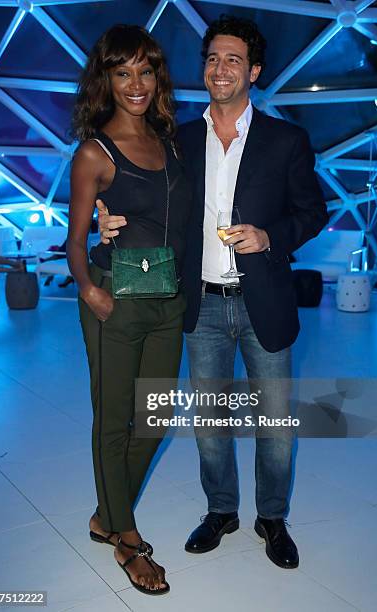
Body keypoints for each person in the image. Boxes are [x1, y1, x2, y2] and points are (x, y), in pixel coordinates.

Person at [98, 15, 329, 570]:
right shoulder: (174, 137)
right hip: (198, 303)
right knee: (210, 427)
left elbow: (313, 211)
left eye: (232, 59)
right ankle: (221, 509)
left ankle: (271, 517)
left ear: (253, 70)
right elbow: (139, 190)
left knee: (273, 428)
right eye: (211, 59)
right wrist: (105, 220)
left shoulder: (285, 139)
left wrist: (271, 235)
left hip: (262, 303)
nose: (219, 69)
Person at [67, 24, 191, 595]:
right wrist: (91, 291)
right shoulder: (94, 152)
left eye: (144, 71)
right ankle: (126, 540)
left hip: (167, 299)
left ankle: (104, 514)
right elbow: (73, 240)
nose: (135, 84)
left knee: (157, 417)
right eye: (123, 73)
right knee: (114, 421)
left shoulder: (169, 143)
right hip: (114, 296)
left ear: (156, 76)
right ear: (107, 80)